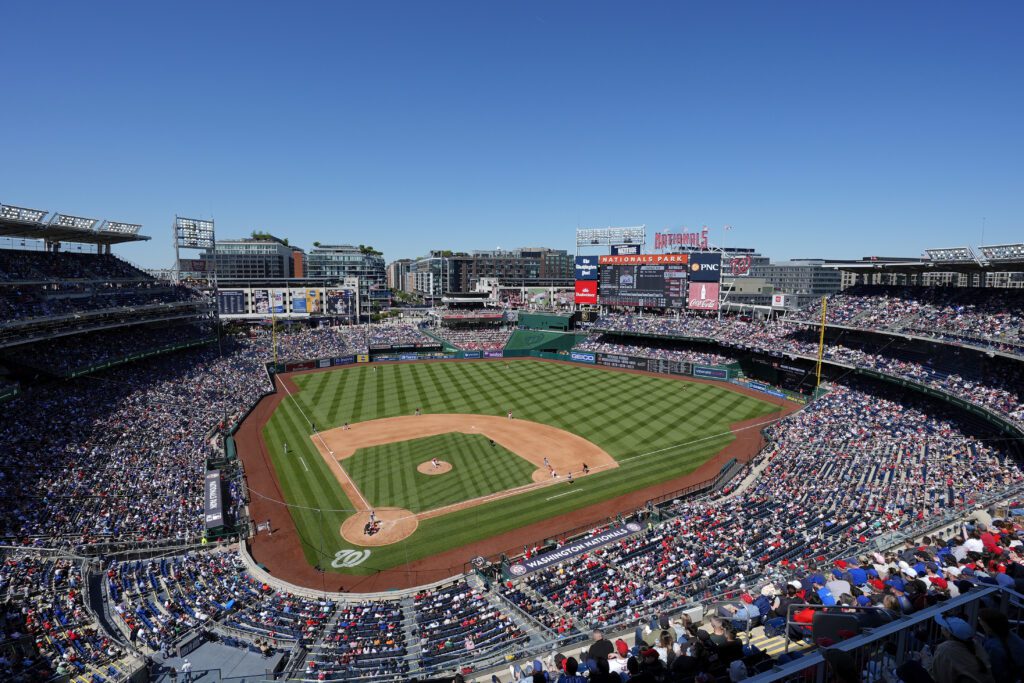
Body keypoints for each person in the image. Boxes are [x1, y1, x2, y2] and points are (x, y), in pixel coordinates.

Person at [928, 615, 995, 683]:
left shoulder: (945, 649)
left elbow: (941, 679)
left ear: (948, 633)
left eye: (943, 626)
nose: (941, 627)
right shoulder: (974, 643)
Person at [978, 608, 1024, 682]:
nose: (981, 625)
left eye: (983, 625)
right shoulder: (1009, 634)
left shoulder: (994, 647)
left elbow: (996, 673)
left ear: (989, 627)